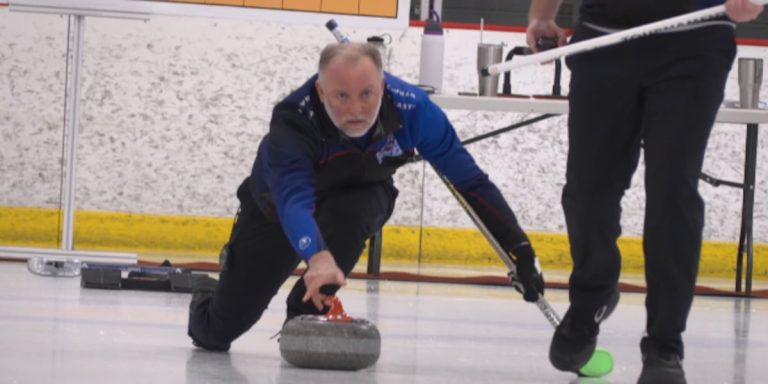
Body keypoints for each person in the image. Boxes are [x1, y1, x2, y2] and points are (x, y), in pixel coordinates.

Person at [187, 42, 545, 352]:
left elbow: (471, 184)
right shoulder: (293, 119)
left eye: (366, 94)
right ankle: (208, 294)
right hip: (277, 209)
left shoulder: (414, 110)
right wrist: (317, 256)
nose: (356, 109)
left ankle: (306, 315)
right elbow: (294, 200)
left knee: (352, 213)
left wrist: (521, 251)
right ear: (322, 92)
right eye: (342, 96)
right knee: (217, 332)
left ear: (383, 86)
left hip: (357, 197)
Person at [526, 1, 764, 383]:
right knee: (587, 192)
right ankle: (593, 296)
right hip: (604, 38)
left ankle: (664, 347)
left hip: (694, 38)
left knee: (672, 191)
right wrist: (541, 14)